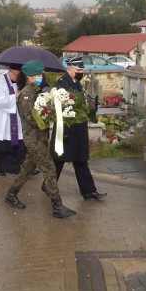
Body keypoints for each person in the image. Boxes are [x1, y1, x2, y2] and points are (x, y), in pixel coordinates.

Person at [4, 60, 76, 218]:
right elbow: (31, 119)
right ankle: (57, 206)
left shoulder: (38, 92)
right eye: (37, 75)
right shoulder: (26, 95)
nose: (40, 77)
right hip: (34, 140)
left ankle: (11, 195)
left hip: (40, 138)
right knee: (50, 170)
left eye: (41, 74)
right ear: (29, 76)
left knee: (27, 170)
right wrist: (49, 115)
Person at [49, 56, 107, 201]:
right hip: (67, 130)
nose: (81, 72)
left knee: (80, 160)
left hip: (78, 130)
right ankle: (48, 185)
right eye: (78, 69)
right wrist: (65, 133)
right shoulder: (61, 84)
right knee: (58, 160)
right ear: (69, 69)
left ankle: (89, 191)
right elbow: (61, 108)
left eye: (82, 69)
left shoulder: (76, 83)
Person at [0, 64, 26, 176]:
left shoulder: (21, 81)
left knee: (19, 142)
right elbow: (0, 101)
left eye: (19, 75)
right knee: (3, 144)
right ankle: (0, 167)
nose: (16, 77)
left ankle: (19, 167)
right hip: (3, 117)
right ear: (9, 70)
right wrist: (15, 96)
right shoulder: (0, 82)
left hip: (17, 116)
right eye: (15, 74)